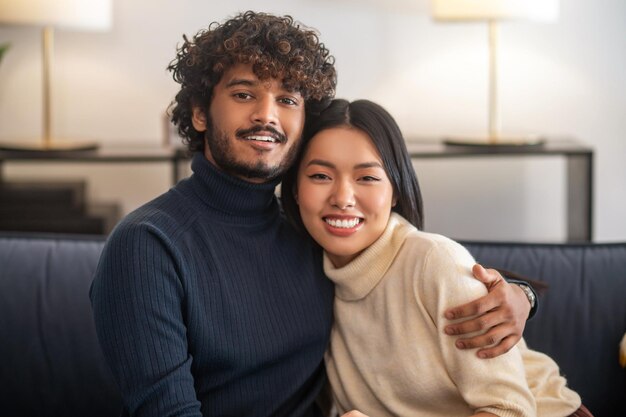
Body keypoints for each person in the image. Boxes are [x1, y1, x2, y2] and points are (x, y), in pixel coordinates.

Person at [90, 11, 536, 417]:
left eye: (287, 100)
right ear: (200, 113)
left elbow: (406, 281)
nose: (267, 116)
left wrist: (522, 297)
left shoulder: (313, 231)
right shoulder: (148, 245)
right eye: (244, 94)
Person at [281, 98, 592, 417]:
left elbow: (508, 409)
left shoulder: (434, 262)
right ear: (294, 188)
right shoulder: (307, 271)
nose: (343, 198)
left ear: (395, 192)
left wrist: (523, 294)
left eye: (367, 178)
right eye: (320, 176)